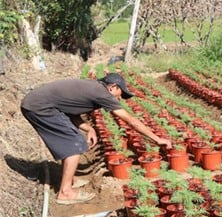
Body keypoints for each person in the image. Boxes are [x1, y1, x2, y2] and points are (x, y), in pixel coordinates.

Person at [21, 73, 172, 205]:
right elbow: (130, 120)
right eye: (120, 93)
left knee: (71, 138)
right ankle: (65, 192)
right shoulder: (102, 93)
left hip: (38, 103)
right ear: (112, 87)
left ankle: (71, 180)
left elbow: (70, 110)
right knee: (75, 143)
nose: (120, 98)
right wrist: (157, 139)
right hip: (39, 107)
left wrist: (89, 128)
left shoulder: (93, 87)